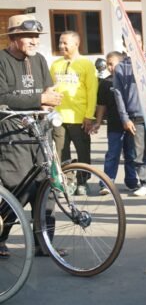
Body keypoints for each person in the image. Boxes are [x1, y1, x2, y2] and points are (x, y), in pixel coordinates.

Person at [0, 13, 63, 257]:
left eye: (37, 36)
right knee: (18, 187)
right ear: (14, 38)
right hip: (11, 133)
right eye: (29, 36)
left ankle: (45, 243)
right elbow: (2, 99)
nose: (35, 41)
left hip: (40, 130)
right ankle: (1, 237)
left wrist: (49, 101)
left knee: (46, 187)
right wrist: (40, 99)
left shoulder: (39, 60)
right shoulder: (2, 60)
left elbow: (47, 89)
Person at [50, 31, 97, 195]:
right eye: (60, 42)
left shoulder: (86, 64)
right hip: (58, 118)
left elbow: (92, 91)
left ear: (76, 44)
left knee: (83, 151)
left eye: (65, 43)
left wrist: (89, 116)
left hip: (80, 117)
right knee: (61, 151)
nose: (61, 46)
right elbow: (50, 89)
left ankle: (83, 181)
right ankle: (67, 182)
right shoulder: (55, 64)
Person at [112, 32, 146, 196]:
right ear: (125, 45)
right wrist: (124, 118)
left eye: (138, 41)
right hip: (135, 116)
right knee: (138, 153)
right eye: (131, 42)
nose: (136, 45)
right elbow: (118, 94)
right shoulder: (120, 67)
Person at [92, 51, 139, 193]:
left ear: (122, 63)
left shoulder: (130, 79)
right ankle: (107, 182)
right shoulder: (105, 83)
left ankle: (132, 182)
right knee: (113, 154)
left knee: (131, 154)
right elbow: (101, 105)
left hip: (132, 123)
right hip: (114, 125)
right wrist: (98, 122)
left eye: (112, 64)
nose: (110, 67)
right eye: (108, 65)